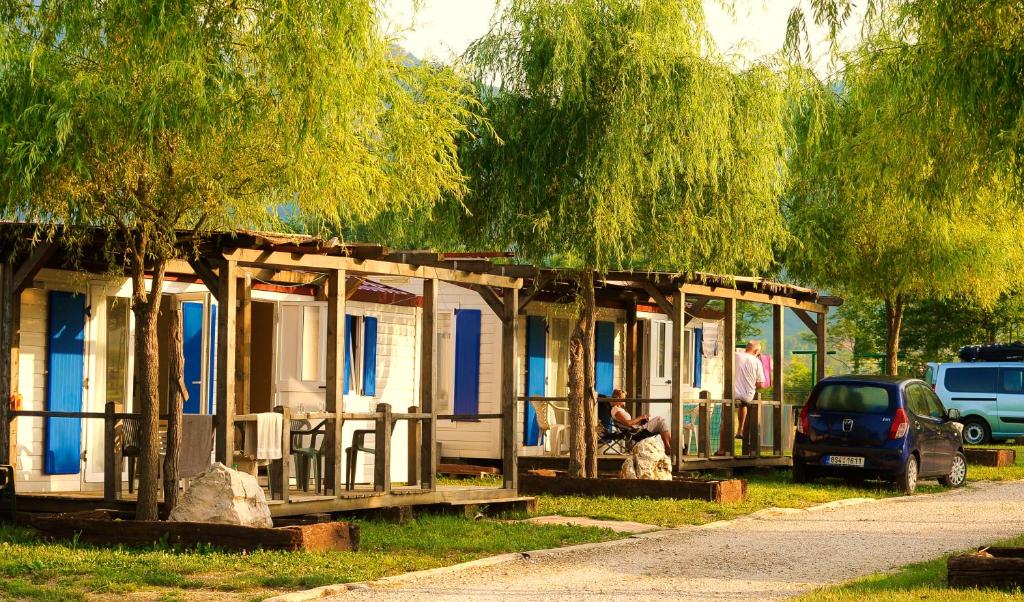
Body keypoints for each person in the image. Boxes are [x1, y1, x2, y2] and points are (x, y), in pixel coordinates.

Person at [609, 388, 671, 454]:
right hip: (635, 432)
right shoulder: (616, 410)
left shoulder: (619, 409)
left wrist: (641, 421)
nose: (625, 400)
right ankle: (669, 447)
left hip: (636, 429)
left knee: (661, 423)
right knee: (660, 420)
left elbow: (629, 423)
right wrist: (641, 417)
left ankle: (668, 447)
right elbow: (627, 423)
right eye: (623, 398)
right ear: (618, 398)